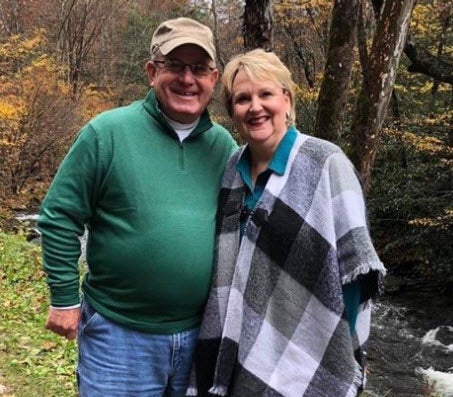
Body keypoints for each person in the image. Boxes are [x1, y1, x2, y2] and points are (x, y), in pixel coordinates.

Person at [37, 17, 237, 397]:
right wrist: (64, 298)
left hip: (201, 335)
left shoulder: (224, 148)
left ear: (214, 78)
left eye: (199, 69)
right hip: (118, 338)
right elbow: (60, 216)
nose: (187, 79)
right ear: (151, 71)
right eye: (175, 66)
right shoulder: (106, 134)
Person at [187, 49, 386, 397]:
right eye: (243, 98)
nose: (255, 107)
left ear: (287, 99)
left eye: (266, 94)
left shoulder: (325, 163)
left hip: (307, 352)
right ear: (233, 110)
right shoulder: (233, 170)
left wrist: (343, 350)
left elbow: (355, 269)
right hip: (234, 344)